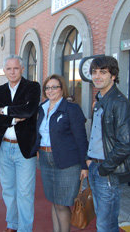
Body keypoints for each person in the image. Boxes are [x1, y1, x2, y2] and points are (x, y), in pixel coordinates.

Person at [86, 56, 130, 232]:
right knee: (105, 220)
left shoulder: (119, 103)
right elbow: (95, 135)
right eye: (94, 72)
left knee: (105, 224)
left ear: (113, 75)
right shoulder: (100, 100)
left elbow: (125, 144)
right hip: (96, 166)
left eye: (103, 72)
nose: (97, 76)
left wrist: (104, 169)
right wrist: (89, 159)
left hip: (106, 171)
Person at [31, 74, 88, 232]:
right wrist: (36, 149)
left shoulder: (71, 109)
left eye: (54, 87)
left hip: (67, 163)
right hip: (45, 160)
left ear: (62, 89)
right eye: (47, 88)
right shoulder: (42, 108)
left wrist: (84, 165)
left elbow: (81, 138)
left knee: (62, 203)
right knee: (54, 201)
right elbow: (38, 133)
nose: (50, 90)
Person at [0, 54, 41, 232]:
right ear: (4, 71)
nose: (12, 72)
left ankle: (25, 229)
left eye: (16, 68)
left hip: (24, 148)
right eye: (9, 69)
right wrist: (13, 118)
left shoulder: (32, 87)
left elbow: (29, 110)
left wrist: (4, 110)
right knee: (8, 190)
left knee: (25, 193)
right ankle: (12, 224)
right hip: (4, 146)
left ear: (22, 69)